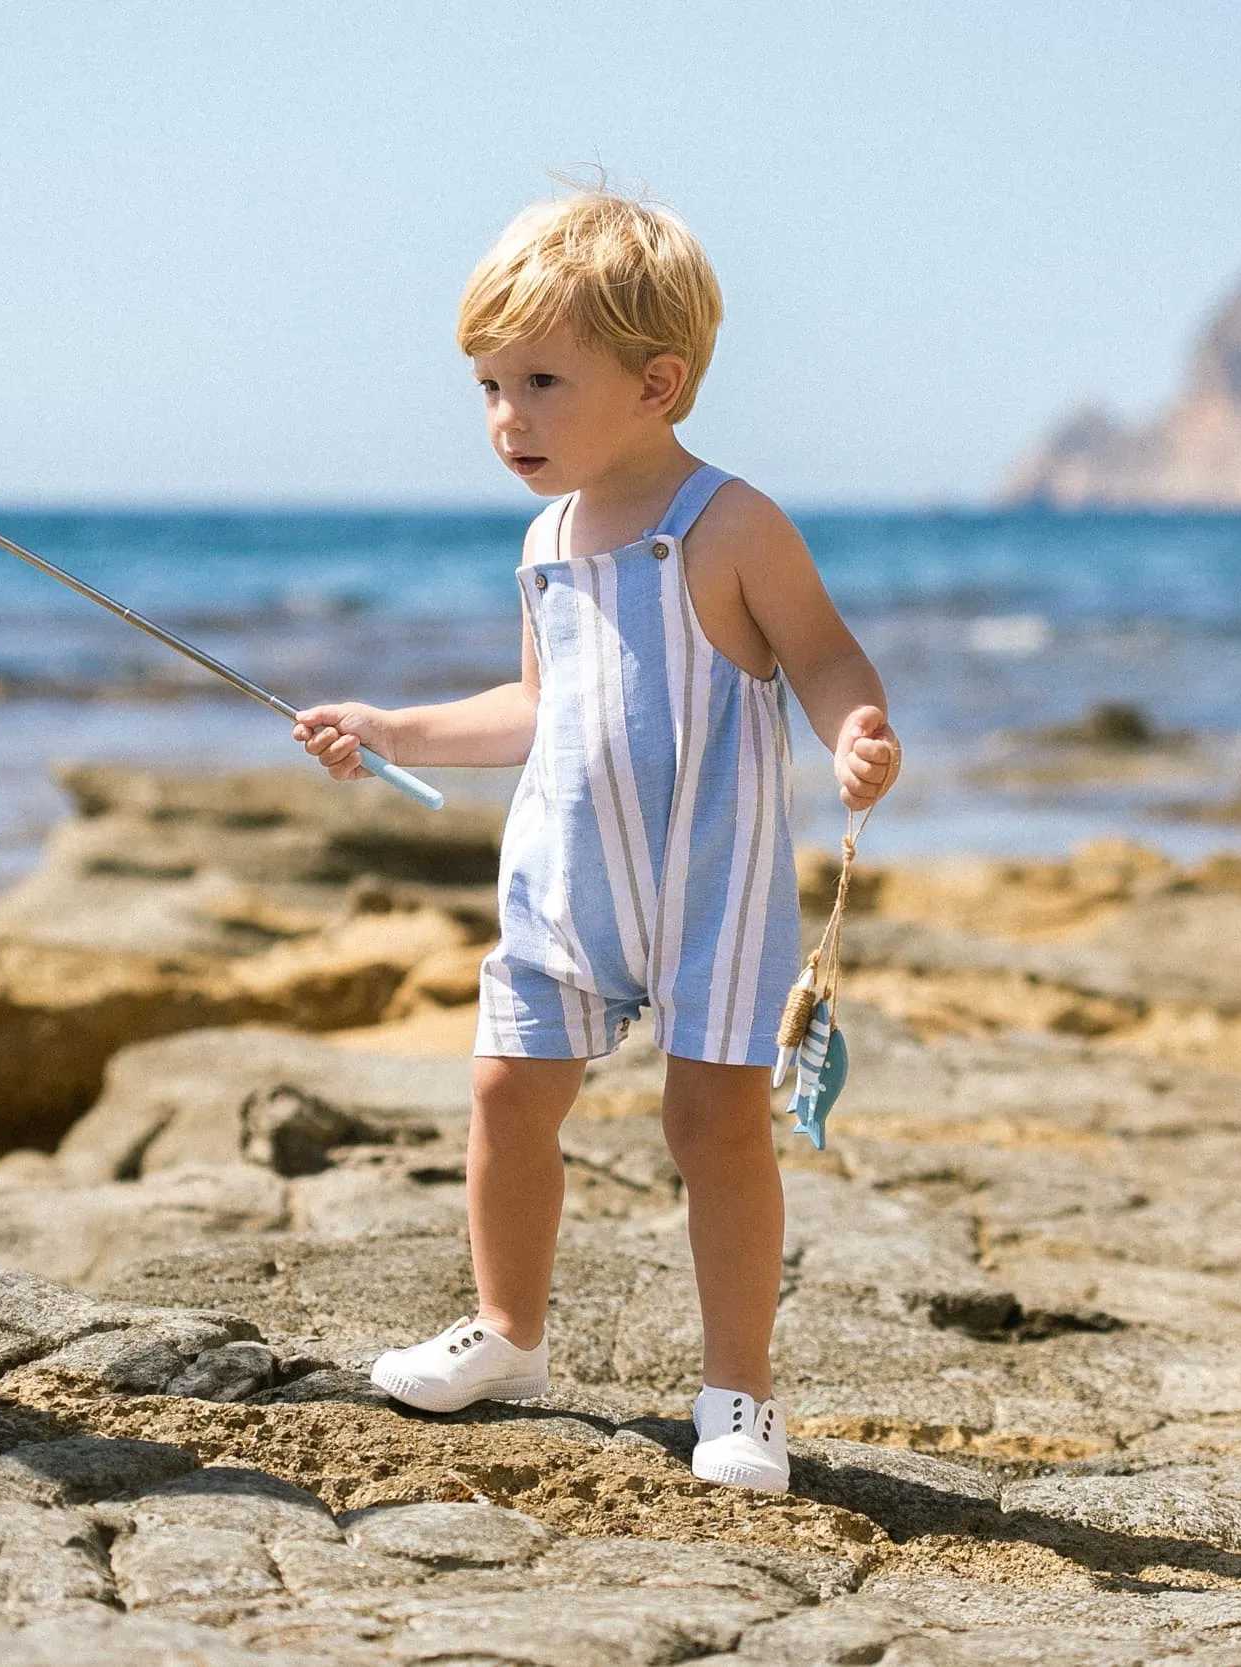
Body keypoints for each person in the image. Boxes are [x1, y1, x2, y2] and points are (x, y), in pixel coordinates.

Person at [292, 188, 899, 1492]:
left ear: (656, 382)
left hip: (708, 887)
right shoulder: (547, 539)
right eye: (489, 385)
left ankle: (739, 1394)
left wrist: (859, 731)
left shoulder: (730, 524)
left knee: (713, 1124)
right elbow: (534, 704)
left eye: (542, 381)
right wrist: (390, 726)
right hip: (568, 879)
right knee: (509, 1092)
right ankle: (509, 1333)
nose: (507, 417)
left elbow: (826, 655)